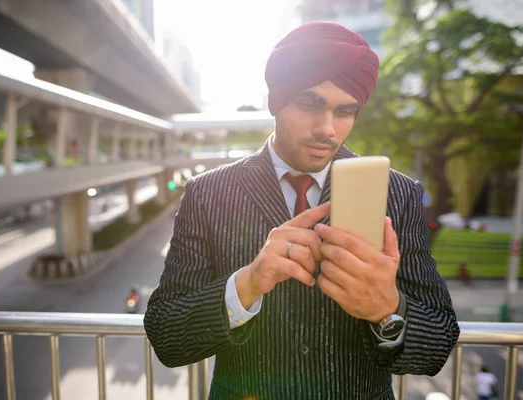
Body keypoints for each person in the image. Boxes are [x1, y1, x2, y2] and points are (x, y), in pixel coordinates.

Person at [145, 22, 460, 399]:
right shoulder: (207, 193)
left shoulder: (399, 194)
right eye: (310, 104)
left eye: (345, 111)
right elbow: (166, 336)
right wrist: (246, 284)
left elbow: (439, 342)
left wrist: (389, 310)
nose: (327, 129)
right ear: (276, 100)